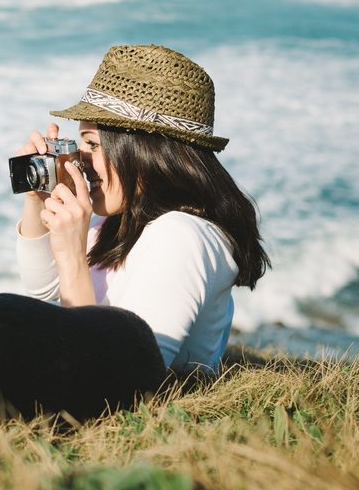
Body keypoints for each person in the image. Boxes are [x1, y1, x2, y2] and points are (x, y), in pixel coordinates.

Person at [15, 44, 269, 374]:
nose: (81, 160)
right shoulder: (127, 218)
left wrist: (72, 257)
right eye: (80, 144)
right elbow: (43, 289)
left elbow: (117, 379)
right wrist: (38, 197)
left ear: (147, 151)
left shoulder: (181, 236)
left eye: (93, 144)